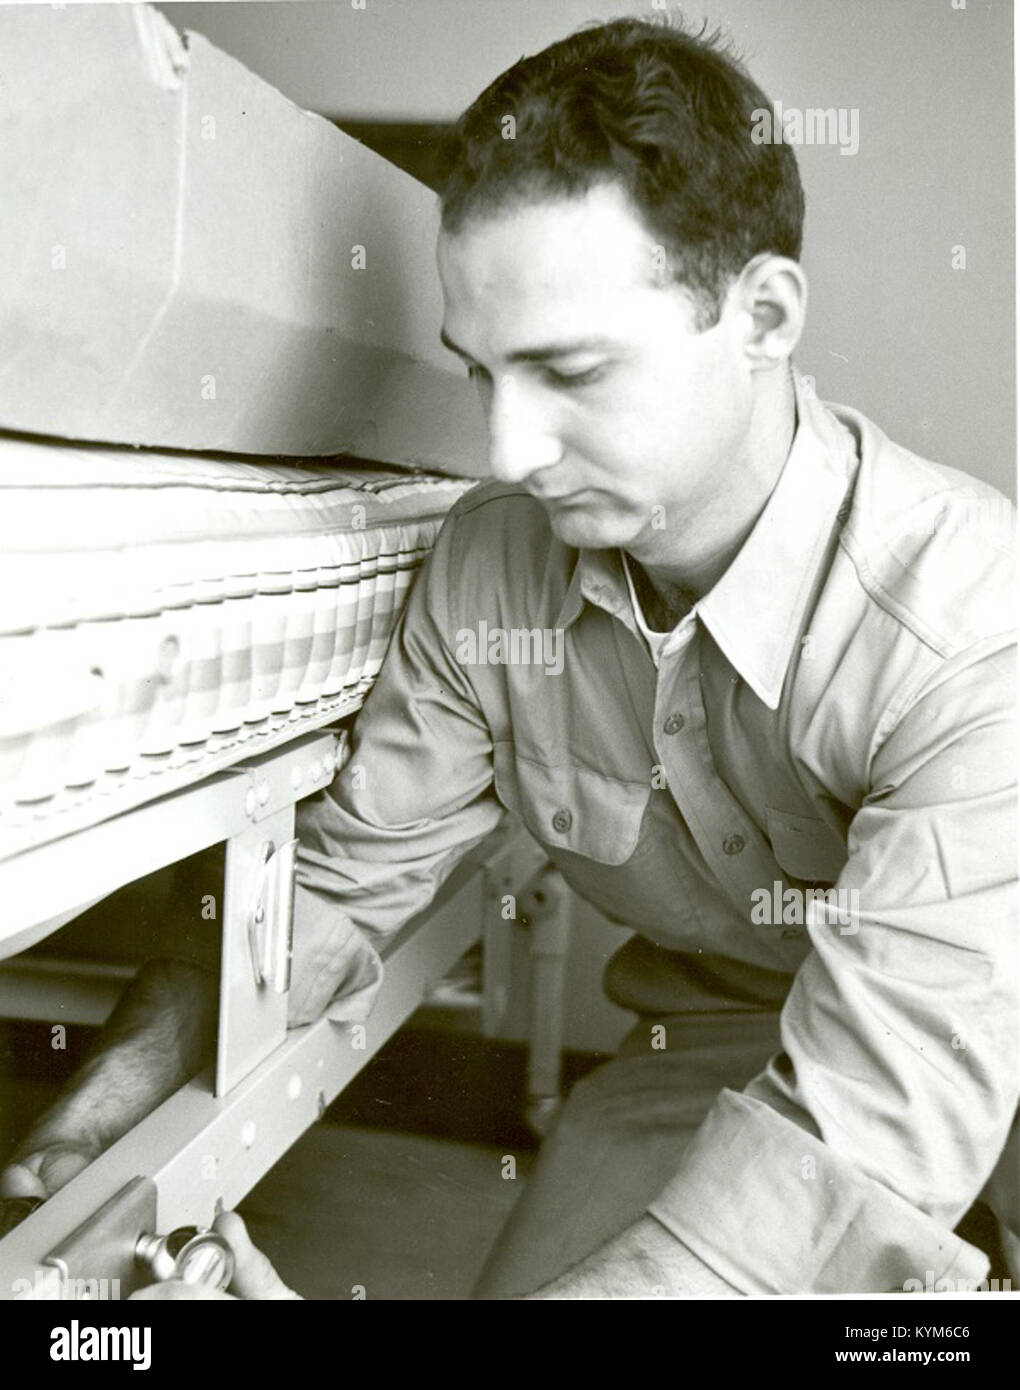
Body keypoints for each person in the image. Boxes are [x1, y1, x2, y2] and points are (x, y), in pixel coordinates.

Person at [3, 16, 1017, 1299]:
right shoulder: (495, 566)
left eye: (570, 371)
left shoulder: (976, 629)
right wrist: (101, 1117)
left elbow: (869, 1137)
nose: (505, 450)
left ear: (762, 313)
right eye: (480, 372)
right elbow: (330, 887)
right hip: (704, 1048)